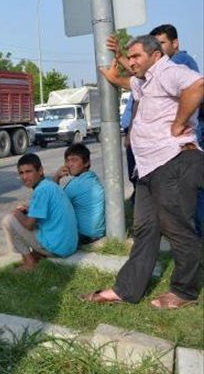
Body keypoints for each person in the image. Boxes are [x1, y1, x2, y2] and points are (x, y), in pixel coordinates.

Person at [83, 35, 203, 309]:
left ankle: (185, 292)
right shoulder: (147, 80)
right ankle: (126, 289)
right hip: (150, 167)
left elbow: (198, 85)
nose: (131, 62)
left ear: (156, 56)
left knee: (177, 228)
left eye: (136, 56)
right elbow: (129, 82)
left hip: (173, 161)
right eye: (130, 56)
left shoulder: (169, 71)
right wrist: (114, 75)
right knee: (145, 228)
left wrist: (179, 123)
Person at [1, 153, 78, 272]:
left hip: (58, 249)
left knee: (8, 220)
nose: (24, 177)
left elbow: (29, 225)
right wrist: (27, 210)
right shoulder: (48, 185)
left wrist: (16, 212)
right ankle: (35, 255)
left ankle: (29, 262)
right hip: (69, 246)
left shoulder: (41, 190)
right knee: (27, 216)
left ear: (40, 171)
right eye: (21, 173)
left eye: (28, 171)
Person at [53, 143, 105, 244]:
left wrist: (56, 177)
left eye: (74, 160)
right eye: (67, 160)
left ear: (86, 163)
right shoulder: (91, 177)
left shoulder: (78, 183)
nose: (69, 164)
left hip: (84, 236)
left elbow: (52, 203)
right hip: (96, 234)